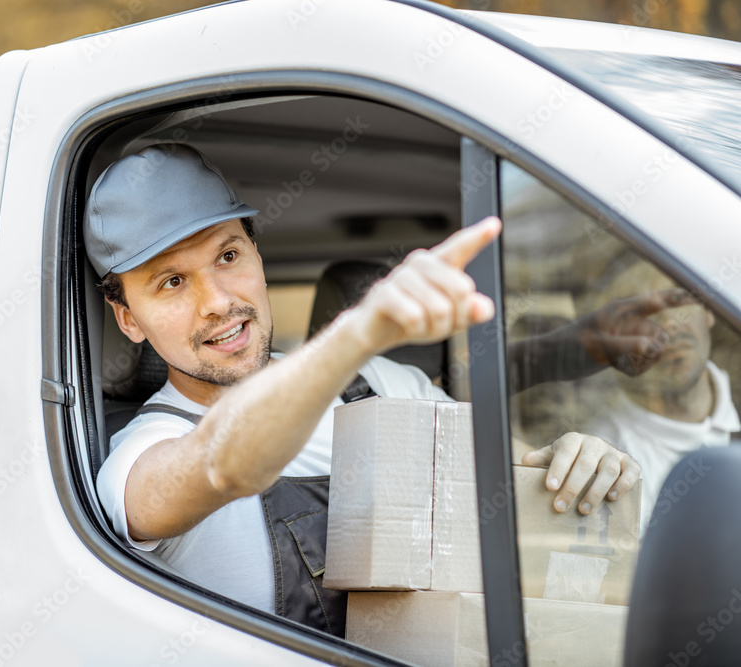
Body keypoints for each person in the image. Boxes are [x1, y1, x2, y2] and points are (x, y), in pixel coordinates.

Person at [90, 143, 640, 635]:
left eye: (228, 256)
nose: (216, 301)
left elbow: (512, 487)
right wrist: (356, 332)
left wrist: (576, 465)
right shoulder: (137, 458)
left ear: (258, 257)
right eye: (172, 282)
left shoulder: (379, 384)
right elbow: (222, 466)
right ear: (129, 319)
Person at [581, 259, 740, 532]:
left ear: (709, 310)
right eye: (644, 313)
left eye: (678, 299)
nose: (670, 326)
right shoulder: (608, 453)